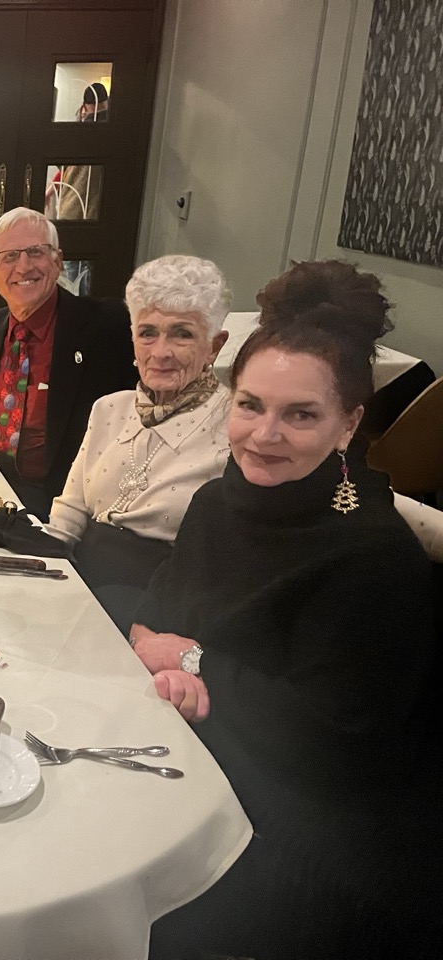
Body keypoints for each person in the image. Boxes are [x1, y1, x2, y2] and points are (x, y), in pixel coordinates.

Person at [132, 261, 440, 959]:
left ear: (348, 423)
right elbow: (159, 604)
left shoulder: (371, 552)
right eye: (250, 405)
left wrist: (190, 660)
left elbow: (336, 741)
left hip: (308, 815)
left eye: (300, 414)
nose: (264, 435)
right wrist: (163, 649)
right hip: (199, 741)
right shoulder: (221, 499)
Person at [42, 255, 231, 627]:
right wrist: (42, 573)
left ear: (214, 345)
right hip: (79, 590)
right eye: (148, 332)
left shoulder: (235, 428)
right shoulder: (109, 409)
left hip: (162, 614)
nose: (160, 352)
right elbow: (68, 514)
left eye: (182, 334)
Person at [0, 207, 134, 519]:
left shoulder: (105, 327)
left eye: (35, 252)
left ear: (57, 262)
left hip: (62, 501)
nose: (24, 266)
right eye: (9, 256)